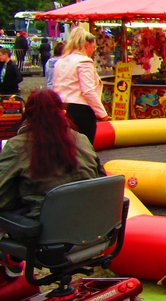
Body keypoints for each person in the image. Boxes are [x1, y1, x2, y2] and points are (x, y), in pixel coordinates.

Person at [0, 89, 105, 220]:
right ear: (63, 112)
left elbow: (3, 197)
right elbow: (101, 179)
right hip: (90, 223)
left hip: (45, 226)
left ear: (27, 115)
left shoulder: (17, 146)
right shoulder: (81, 139)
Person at [52, 27, 110, 145]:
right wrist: (102, 113)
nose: (93, 51)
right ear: (87, 45)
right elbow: (88, 91)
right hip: (80, 109)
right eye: (93, 47)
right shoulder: (84, 62)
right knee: (84, 147)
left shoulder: (61, 61)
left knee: (66, 146)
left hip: (61, 106)